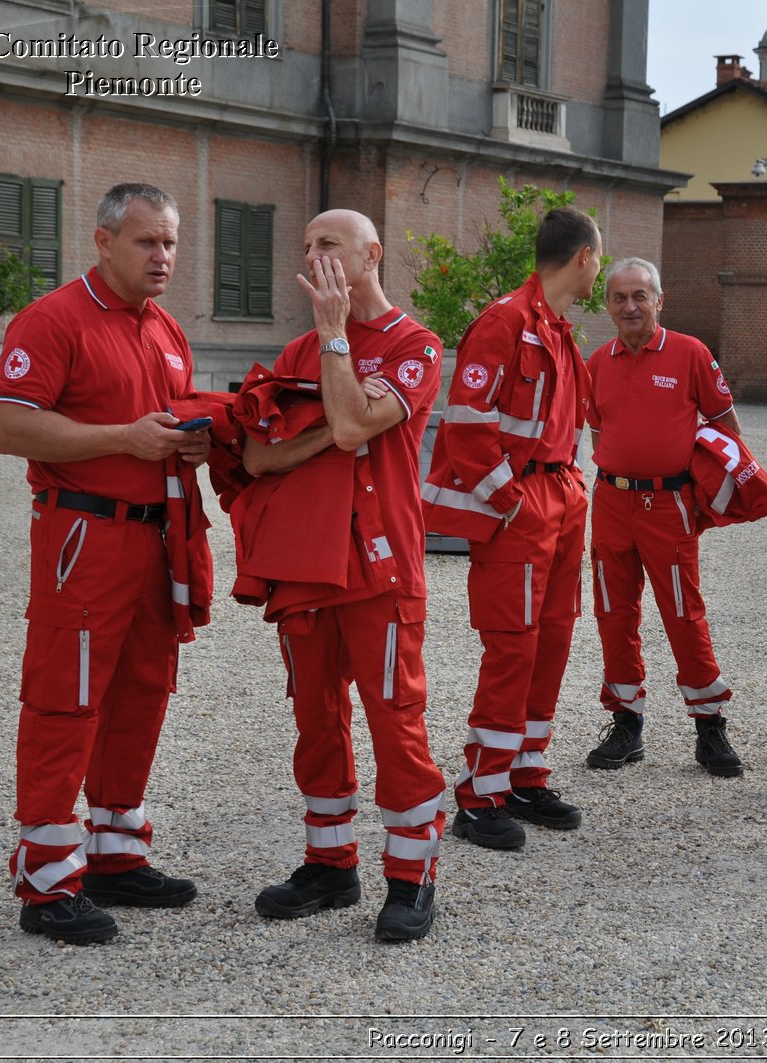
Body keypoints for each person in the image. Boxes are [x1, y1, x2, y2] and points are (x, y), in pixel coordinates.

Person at [0, 183, 210, 945]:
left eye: (171, 243)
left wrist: (200, 437)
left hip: (158, 537)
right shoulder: (53, 319)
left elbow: (171, 419)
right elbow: (10, 427)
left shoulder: (168, 330)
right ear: (104, 240)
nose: (162, 257)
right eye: (148, 242)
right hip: (85, 535)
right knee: (67, 695)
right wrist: (124, 439)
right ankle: (47, 881)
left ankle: (116, 851)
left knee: (142, 689)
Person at [239, 210, 446, 941]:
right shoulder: (295, 349)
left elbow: (357, 426)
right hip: (305, 564)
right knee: (315, 718)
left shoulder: (416, 345)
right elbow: (257, 457)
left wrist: (335, 355)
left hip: (381, 566)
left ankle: (411, 874)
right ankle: (330, 865)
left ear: (372, 256)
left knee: (395, 721)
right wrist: (330, 426)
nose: (312, 256)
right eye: (307, 244)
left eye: (328, 244)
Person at [422, 208, 601, 850]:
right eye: (598, 259)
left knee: (551, 640)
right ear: (584, 257)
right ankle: (479, 793)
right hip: (526, 505)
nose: (598, 270)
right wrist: (512, 504)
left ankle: (524, 776)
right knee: (513, 647)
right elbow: (467, 426)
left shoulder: (555, 328)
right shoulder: (506, 322)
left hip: (562, 495)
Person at [581, 257, 745, 778]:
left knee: (683, 612)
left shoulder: (690, 353)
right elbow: (597, 432)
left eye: (639, 296)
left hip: (667, 505)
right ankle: (627, 724)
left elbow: (725, 429)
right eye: (619, 298)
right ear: (607, 306)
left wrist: (708, 494)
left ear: (659, 301)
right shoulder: (597, 363)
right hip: (610, 503)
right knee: (613, 612)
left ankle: (709, 726)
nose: (629, 306)